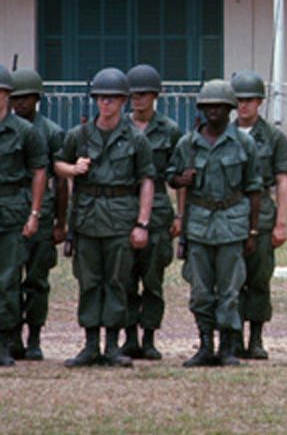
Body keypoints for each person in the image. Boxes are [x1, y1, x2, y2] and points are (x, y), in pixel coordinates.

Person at [54, 67, 154, 368]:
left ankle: (112, 345)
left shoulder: (136, 140)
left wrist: (142, 223)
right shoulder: (79, 135)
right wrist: (73, 170)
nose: (105, 104)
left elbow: (147, 181)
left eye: (111, 99)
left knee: (117, 282)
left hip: (120, 218)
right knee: (88, 282)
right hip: (86, 219)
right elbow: (57, 163)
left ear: (123, 101)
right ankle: (89, 344)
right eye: (100, 98)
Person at [168, 79, 261, 368]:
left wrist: (252, 230)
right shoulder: (188, 144)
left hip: (232, 222)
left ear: (230, 109)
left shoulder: (243, 143)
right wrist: (181, 179)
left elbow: (254, 189)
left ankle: (228, 345)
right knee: (200, 290)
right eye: (208, 107)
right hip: (199, 224)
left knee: (230, 289)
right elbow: (170, 175)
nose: (214, 113)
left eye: (220, 107)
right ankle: (205, 343)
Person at [120, 64, 181, 361]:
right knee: (126, 278)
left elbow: (179, 176)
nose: (138, 99)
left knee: (153, 280)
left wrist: (181, 216)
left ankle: (150, 337)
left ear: (155, 95)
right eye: (133, 94)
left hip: (157, 211)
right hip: (124, 207)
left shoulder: (169, 130)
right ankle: (129, 336)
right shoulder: (120, 127)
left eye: (143, 94)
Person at [231, 70, 287, 360]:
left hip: (263, 214)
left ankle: (255, 338)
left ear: (259, 102)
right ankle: (232, 336)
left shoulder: (273, 137)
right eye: (239, 100)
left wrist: (281, 222)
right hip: (230, 212)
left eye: (249, 100)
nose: (244, 106)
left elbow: (282, 180)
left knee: (258, 277)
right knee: (230, 278)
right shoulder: (222, 133)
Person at [8, 68, 65, 362]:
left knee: (38, 280)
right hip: (12, 214)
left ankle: (35, 336)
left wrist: (60, 221)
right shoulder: (8, 129)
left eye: (25, 98)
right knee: (9, 279)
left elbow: (60, 179)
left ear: (37, 98)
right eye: (15, 98)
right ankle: (12, 335)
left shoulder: (51, 132)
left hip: (41, 215)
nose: (19, 104)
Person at [0, 64, 48, 367]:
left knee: (7, 280)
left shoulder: (26, 132)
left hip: (13, 209)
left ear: (6, 95)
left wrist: (34, 212)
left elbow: (39, 171)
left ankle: (5, 340)